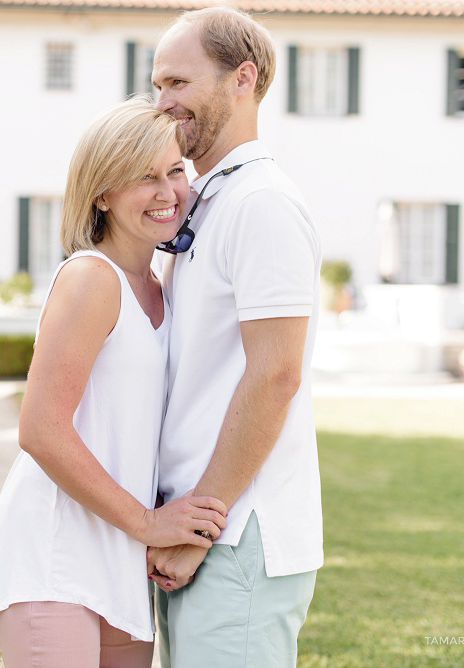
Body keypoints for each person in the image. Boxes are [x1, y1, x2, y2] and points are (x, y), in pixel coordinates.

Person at [0, 98, 227, 667]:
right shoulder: (91, 278)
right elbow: (40, 429)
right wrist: (148, 523)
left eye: (175, 171)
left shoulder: (163, 288)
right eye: (143, 177)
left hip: (122, 552)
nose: (167, 192)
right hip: (55, 552)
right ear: (101, 193)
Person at [147, 7, 324, 667]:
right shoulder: (211, 201)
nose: (162, 104)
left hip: (235, 535)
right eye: (157, 86)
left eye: (178, 83)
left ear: (242, 79)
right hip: (198, 530)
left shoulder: (262, 204)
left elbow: (276, 373)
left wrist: (200, 525)